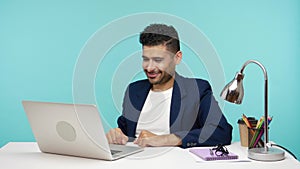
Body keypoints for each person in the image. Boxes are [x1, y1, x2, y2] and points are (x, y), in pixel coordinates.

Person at [106, 23, 232, 148]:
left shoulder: (197, 90)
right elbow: (126, 133)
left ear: (177, 58)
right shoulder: (133, 90)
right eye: (145, 59)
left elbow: (221, 132)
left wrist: (166, 139)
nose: (149, 68)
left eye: (158, 60)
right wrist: (117, 134)